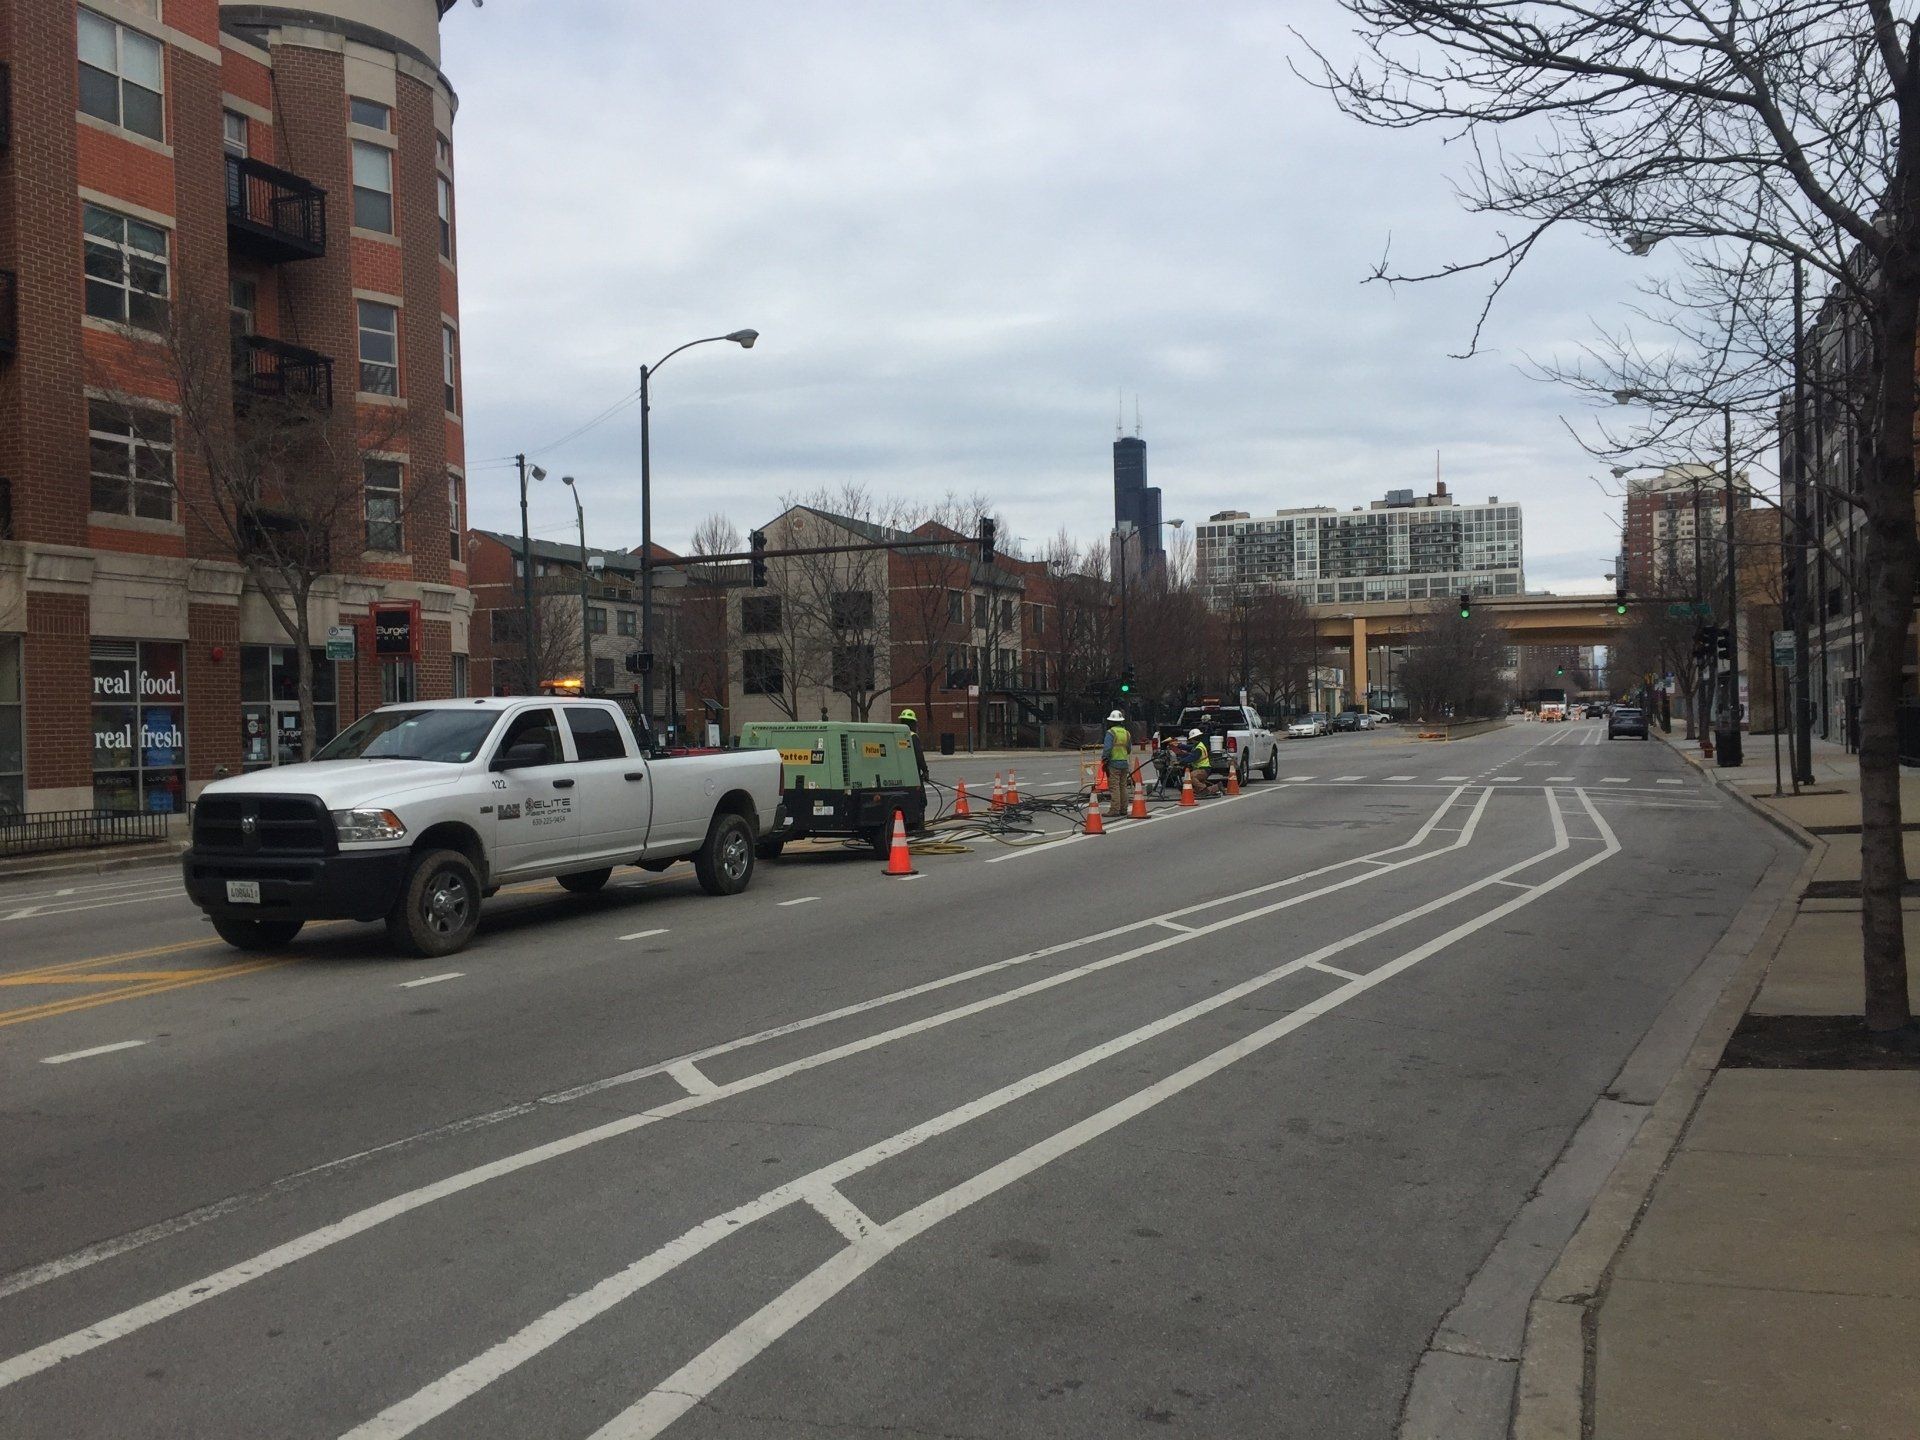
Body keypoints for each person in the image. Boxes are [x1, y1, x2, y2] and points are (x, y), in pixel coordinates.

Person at [1101, 708, 1132, 817]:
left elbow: (1107, 748)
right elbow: (1129, 749)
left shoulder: (1111, 732)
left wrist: (1104, 758)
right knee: (1123, 786)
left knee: (1114, 787)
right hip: (1124, 762)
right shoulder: (1126, 733)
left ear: (1111, 722)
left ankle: (1115, 809)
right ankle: (1124, 809)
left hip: (1114, 763)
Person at [898, 708, 931, 785]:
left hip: (900, 774)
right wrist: (925, 770)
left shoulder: (897, 736)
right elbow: (919, 756)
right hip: (913, 774)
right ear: (912, 723)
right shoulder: (913, 736)